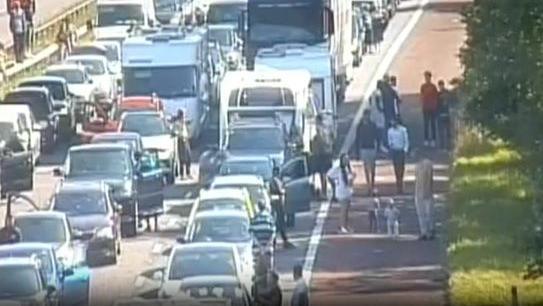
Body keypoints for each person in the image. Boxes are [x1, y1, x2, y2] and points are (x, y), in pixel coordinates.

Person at [327, 153, 356, 233]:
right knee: (343, 210)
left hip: (348, 191)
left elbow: (353, 176)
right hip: (341, 192)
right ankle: (342, 226)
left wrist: (352, 178)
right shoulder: (338, 169)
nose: (346, 161)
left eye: (347, 159)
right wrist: (334, 184)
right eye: (344, 160)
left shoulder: (349, 168)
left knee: (346, 210)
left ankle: (345, 225)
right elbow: (329, 175)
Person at [269, 166, 295, 249]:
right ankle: (278, 241)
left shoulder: (275, 180)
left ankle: (278, 241)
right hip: (277, 205)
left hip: (278, 205)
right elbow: (279, 191)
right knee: (279, 223)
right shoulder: (275, 181)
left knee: (279, 224)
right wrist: (283, 191)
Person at [356, 109, 379, 195]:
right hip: (364, 148)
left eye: (368, 115)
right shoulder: (360, 126)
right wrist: (357, 152)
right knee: (366, 167)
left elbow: (377, 137)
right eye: (366, 115)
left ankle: (372, 185)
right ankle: (368, 185)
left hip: (371, 147)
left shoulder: (373, 125)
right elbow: (357, 139)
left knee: (372, 168)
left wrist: (378, 148)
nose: (367, 117)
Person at [310, 117, 333, 199]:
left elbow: (319, 141)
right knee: (325, 174)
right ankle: (325, 192)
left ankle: (324, 192)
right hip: (326, 153)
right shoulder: (327, 128)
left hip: (321, 154)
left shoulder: (320, 129)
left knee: (323, 174)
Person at [387, 118, 409, 194]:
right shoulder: (390, 131)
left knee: (401, 167)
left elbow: (406, 140)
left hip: (401, 151)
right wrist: (391, 147)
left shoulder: (403, 130)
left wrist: (405, 150)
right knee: (396, 167)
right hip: (395, 151)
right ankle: (398, 183)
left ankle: (401, 181)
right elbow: (389, 141)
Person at [415, 159, 435, 240]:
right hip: (422, 192)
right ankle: (425, 231)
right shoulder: (419, 166)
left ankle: (428, 231)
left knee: (426, 213)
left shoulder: (427, 165)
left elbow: (429, 180)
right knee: (425, 213)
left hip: (424, 193)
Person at [420, 71, 439, 147]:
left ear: (430, 77)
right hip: (426, 107)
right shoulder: (423, 86)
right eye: (425, 77)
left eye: (427, 77)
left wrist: (435, 106)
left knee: (433, 124)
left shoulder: (433, 87)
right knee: (426, 124)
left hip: (432, 108)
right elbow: (421, 96)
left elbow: (436, 97)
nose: (426, 78)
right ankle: (426, 139)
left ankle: (433, 139)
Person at [172, 109, 191, 179]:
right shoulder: (177, 123)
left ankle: (188, 173)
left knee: (189, 157)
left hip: (186, 140)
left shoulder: (184, 122)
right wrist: (179, 134)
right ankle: (182, 175)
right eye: (183, 115)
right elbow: (175, 131)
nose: (184, 116)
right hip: (181, 141)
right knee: (182, 158)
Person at [369, 81, 387, 152]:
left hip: (373, 113)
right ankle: (380, 145)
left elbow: (370, 99)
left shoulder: (373, 92)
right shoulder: (378, 93)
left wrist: (372, 107)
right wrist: (381, 109)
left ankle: (376, 144)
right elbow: (378, 102)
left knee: (374, 129)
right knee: (380, 129)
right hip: (378, 114)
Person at [437, 80, 452, 150]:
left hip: (446, 113)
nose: (441, 87)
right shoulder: (438, 94)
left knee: (448, 131)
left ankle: (448, 145)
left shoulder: (447, 93)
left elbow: (450, 102)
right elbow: (437, 104)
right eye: (440, 86)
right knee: (441, 131)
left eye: (441, 85)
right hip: (441, 113)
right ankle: (442, 145)